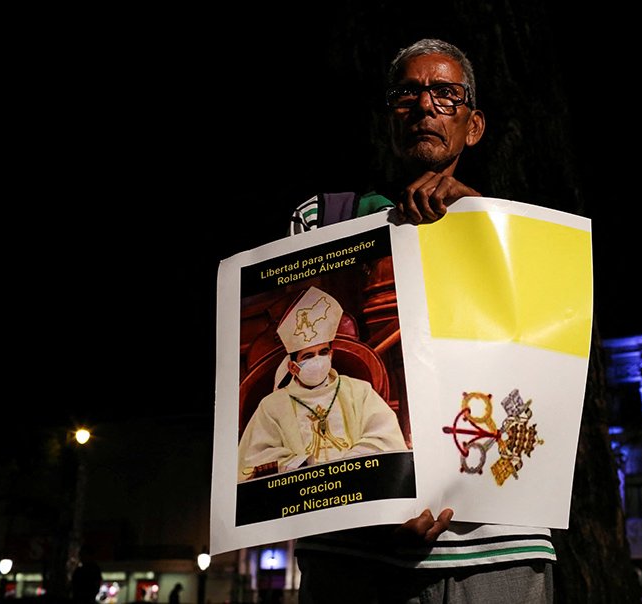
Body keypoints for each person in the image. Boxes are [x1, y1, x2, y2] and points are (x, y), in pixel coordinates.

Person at [286, 38, 557, 603]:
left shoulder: (525, 235)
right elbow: (300, 375)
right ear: (391, 119)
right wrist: (375, 499)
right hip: (352, 551)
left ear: (473, 125)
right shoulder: (323, 221)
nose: (426, 104)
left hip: (498, 545)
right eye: (408, 93)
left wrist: (479, 221)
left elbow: (547, 366)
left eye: (445, 93)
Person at [237, 285, 407, 479]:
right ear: (293, 367)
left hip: (359, 482)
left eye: (323, 352)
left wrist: (347, 466)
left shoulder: (359, 391)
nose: (318, 360)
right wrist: (299, 465)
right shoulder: (272, 406)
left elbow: (384, 437)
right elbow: (254, 458)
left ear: (331, 355)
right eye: (309, 356)